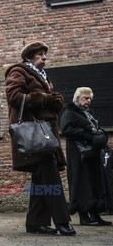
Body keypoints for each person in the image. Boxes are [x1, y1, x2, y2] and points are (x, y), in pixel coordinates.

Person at [5, 41, 76, 236]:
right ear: (28, 57)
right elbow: (14, 97)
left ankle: (35, 223)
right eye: (39, 54)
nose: (44, 57)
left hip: (45, 136)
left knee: (40, 181)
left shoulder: (43, 76)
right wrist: (45, 99)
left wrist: (56, 101)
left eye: (45, 53)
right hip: (34, 136)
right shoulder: (18, 71)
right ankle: (62, 221)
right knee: (51, 179)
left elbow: (45, 102)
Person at [60, 87, 111, 226]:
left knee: (95, 182)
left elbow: (95, 129)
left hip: (93, 152)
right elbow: (65, 129)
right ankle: (84, 216)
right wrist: (87, 134)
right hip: (78, 153)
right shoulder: (69, 111)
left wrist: (100, 135)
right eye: (85, 98)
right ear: (77, 99)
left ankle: (95, 214)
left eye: (90, 98)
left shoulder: (89, 113)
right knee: (82, 182)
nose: (88, 101)